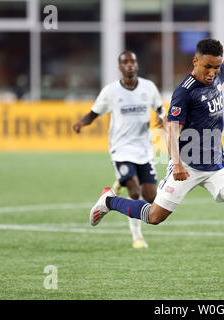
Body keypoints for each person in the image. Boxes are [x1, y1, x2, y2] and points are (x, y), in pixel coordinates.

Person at [89, 34, 224, 282]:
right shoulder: (184, 92)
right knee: (154, 217)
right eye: (207, 67)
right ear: (195, 61)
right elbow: (172, 128)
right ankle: (110, 201)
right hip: (187, 166)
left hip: (216, 165)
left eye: (215, 67)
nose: (212, 72)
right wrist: (177, 163)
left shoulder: (217, 74)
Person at [73, 50, 165, 249]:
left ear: (137, 65)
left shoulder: (148, 88)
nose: (129, 65)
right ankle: (137, 237)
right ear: (120, 67)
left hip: (144, 150)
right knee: (133, 192)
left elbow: (160, 108)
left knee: (151, 197)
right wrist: (81, 123)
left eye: (132, 61)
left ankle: (117, 184)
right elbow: (93, 113)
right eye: (125, 62)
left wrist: (162, 117)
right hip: (121, 149)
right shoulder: (111, 91)